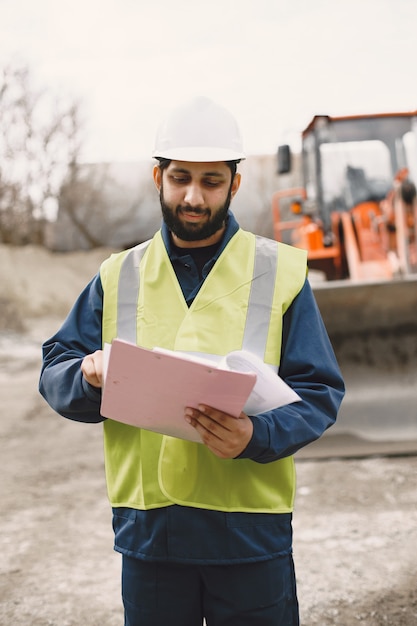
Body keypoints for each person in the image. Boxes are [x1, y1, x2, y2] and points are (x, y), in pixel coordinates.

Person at [39, 96, 345, 626]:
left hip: (249, 533)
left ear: (235, 184)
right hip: (150, 534)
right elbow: (56, 366)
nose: (194, 197)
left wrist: (258, 435)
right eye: (180, 178)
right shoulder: (119, 275)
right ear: (157, 178)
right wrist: (88, 377)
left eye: (210, 181)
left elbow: (319, 392)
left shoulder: (279, 272)